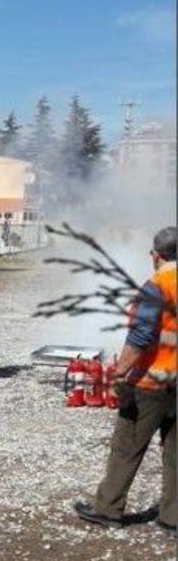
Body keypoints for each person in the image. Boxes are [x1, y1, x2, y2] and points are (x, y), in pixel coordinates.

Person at [75, 226, 177, 535]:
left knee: (127, 446)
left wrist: (119, 372)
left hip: (151, 383)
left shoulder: (157, 286)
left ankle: (108, 508)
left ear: (156, 256)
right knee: (175, 453)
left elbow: (142, 336)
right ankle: (173, 518)